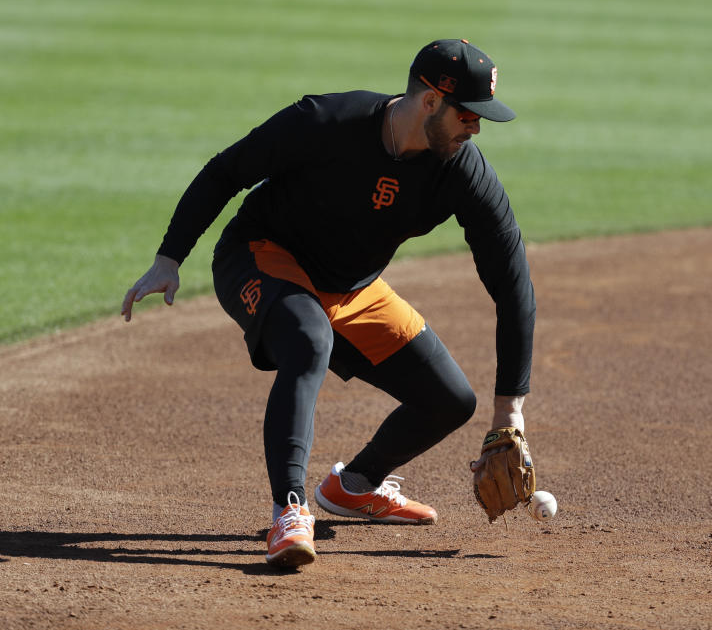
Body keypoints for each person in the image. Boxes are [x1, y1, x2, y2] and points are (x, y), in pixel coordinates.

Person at [120, 39, 536, 568]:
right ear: (430, 101)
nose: (475, 128)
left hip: (352, 287)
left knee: (450, 399)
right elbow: (227, 170)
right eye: (467, 114)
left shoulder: (460, 169)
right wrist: (169, 257)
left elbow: (512, 281)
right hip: (263, 256)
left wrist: (511, 412)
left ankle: (354, 486)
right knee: (307, 339)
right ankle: (289, 510)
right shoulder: (327, 121)